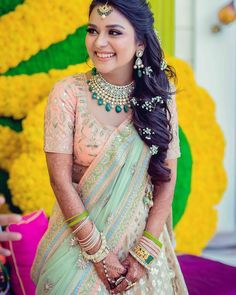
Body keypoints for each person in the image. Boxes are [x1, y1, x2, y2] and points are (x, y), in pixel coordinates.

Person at [31, 0, 189, 294]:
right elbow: (60, 181)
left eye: (114, 32)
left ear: (140, 41)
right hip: (76, 248)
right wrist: (99, 254)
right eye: (93, 30)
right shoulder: (68, 93)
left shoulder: (159, 96)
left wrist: (143, 254)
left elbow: (166, 179)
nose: (99, 42)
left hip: (140, 248)